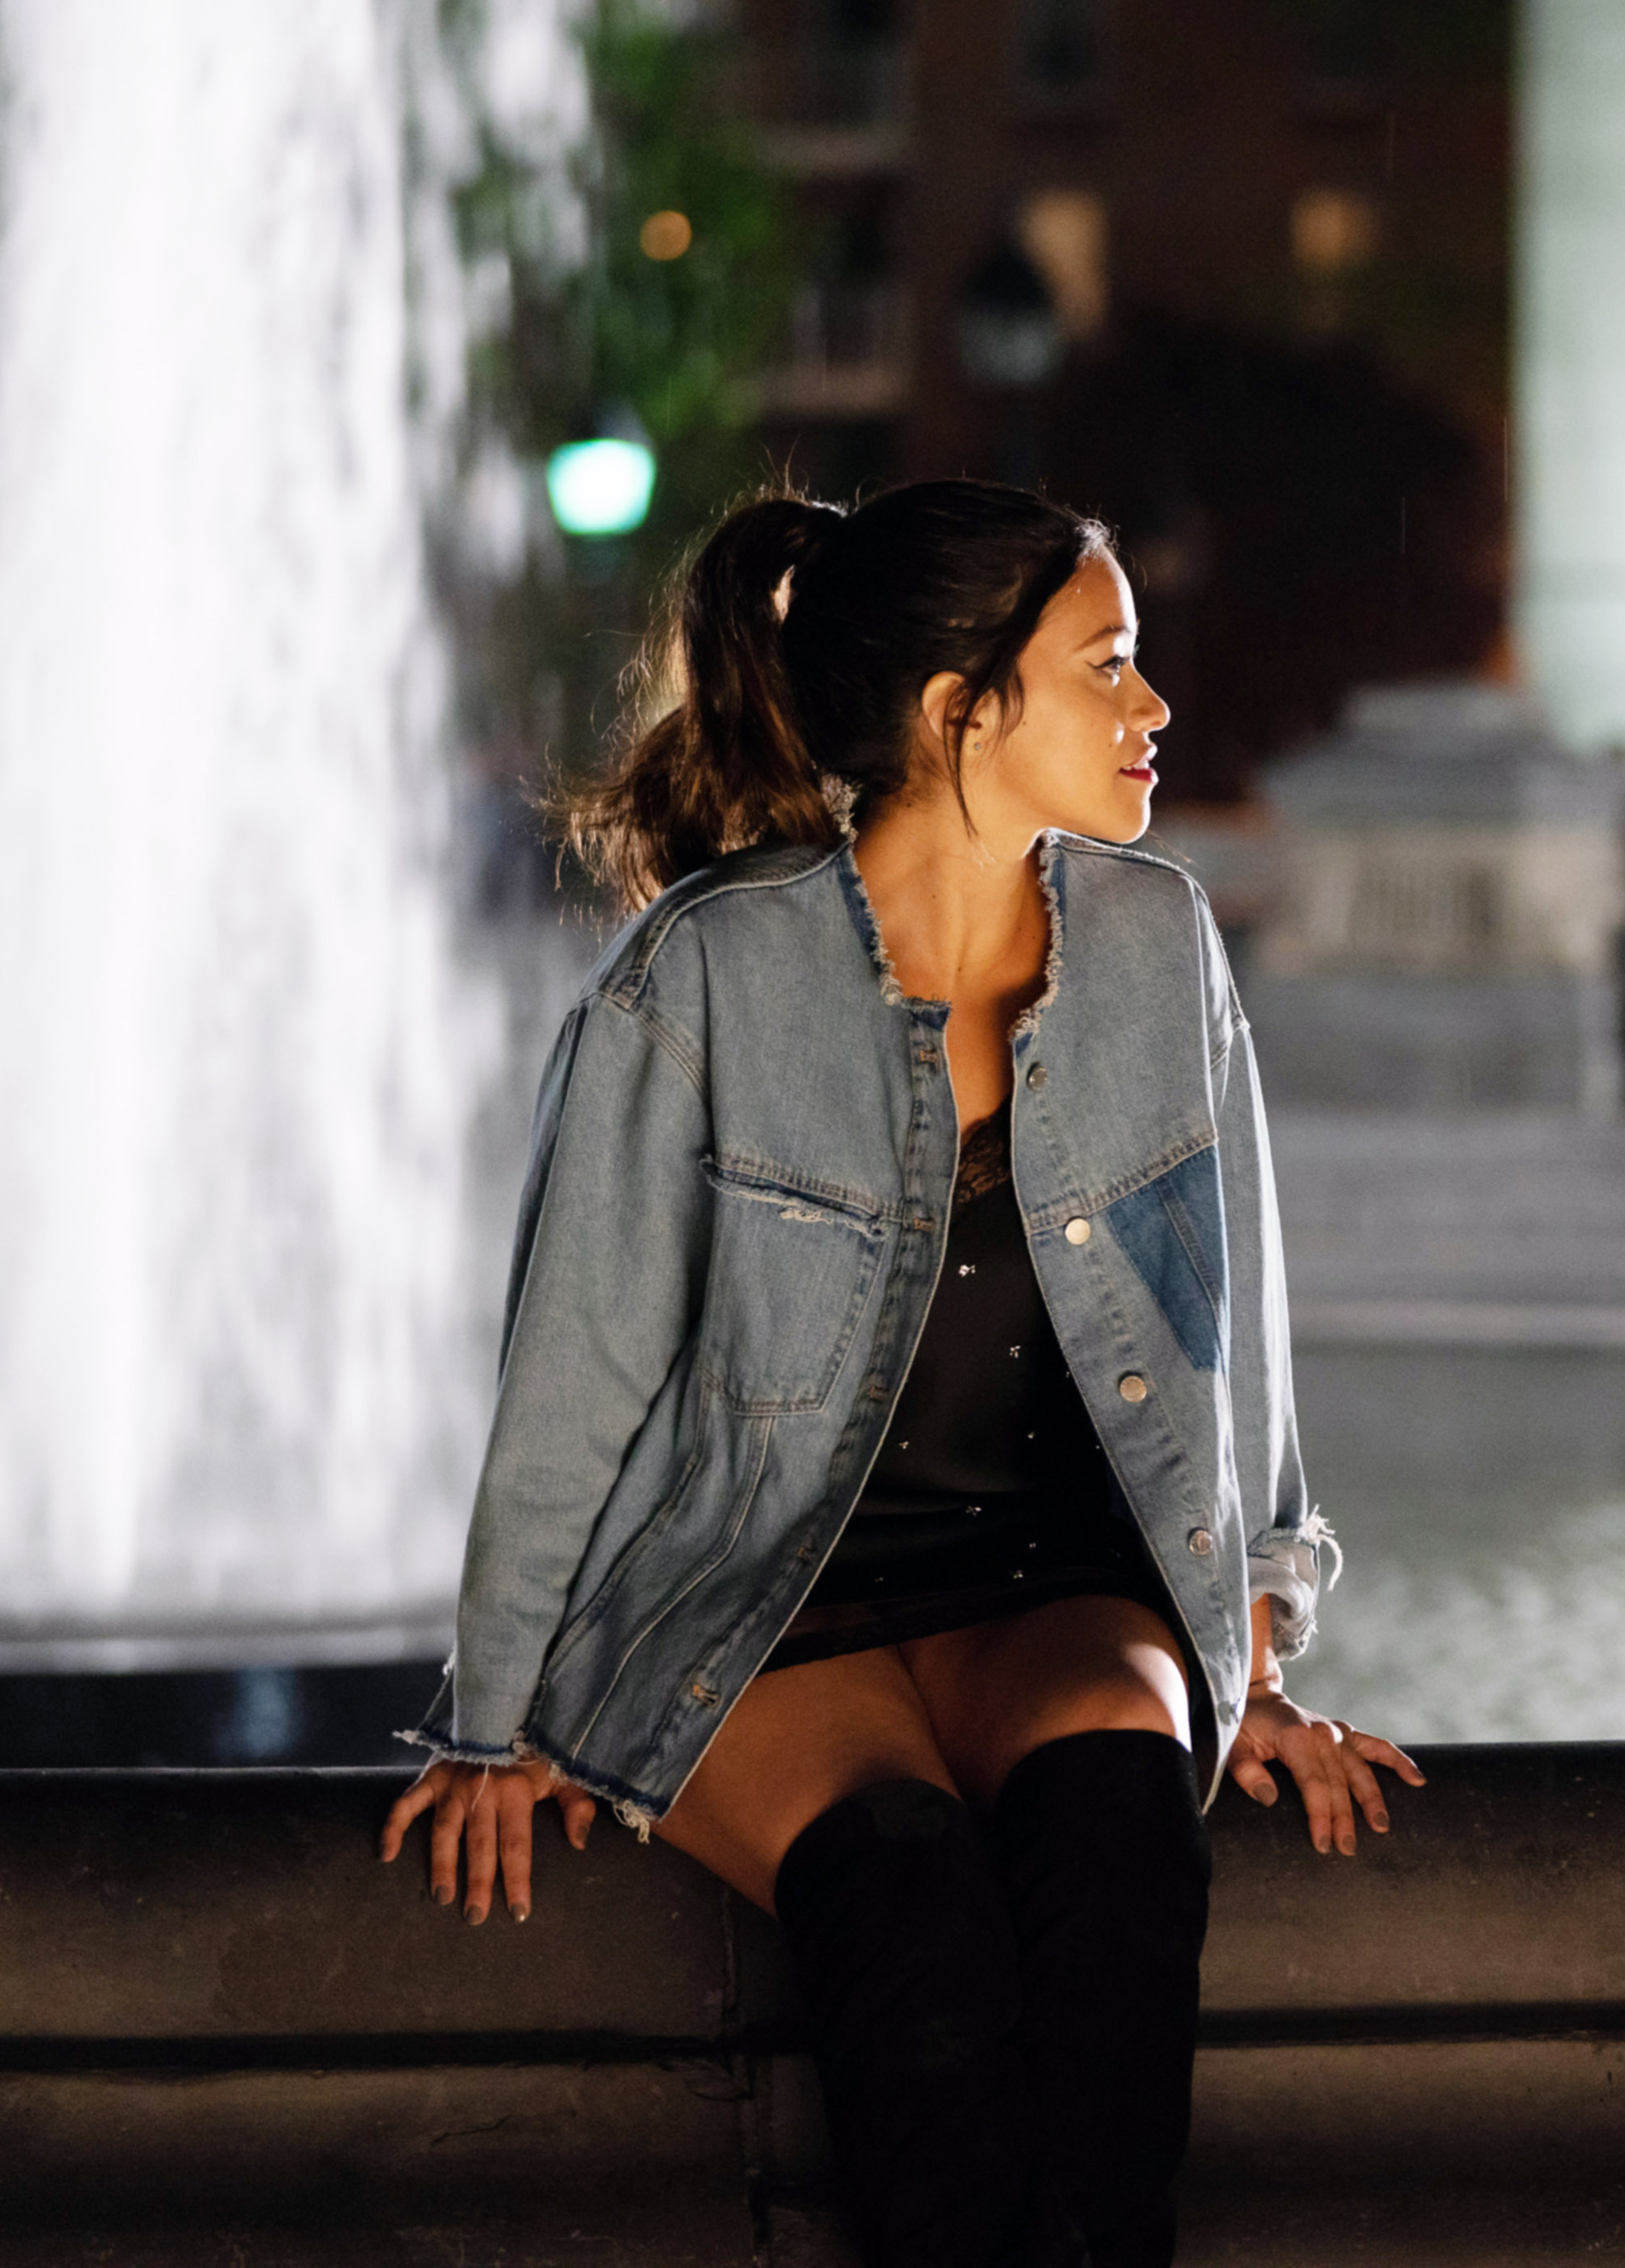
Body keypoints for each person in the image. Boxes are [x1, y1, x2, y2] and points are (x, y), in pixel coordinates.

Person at [379, 480, 1421, 2267]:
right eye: (1106, 664)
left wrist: (1248, 1640)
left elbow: (1224, 1331)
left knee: (1112, 1855)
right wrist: (496, 1720)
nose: (1150, 706)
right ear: (962, 709)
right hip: (762, 1611)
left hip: (1050, 1591)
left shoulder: (1160, 942)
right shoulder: (698, 976)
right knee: (914, 1924)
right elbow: (573, 1370)